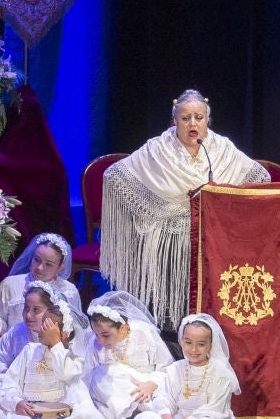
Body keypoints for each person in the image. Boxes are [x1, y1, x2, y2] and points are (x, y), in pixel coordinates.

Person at [100, 89, 268, 327]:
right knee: (170, 302)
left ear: (207, 120)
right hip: (168, 242)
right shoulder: (157, 149)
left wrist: (231, 212)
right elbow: (115, 175)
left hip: (211, 240)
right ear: (175, 121)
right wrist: (147, 210)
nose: (193, 123)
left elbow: (260, 176)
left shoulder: (222, 149)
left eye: (199, 118)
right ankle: (169, 334)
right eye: (185, 118)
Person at [125, 313, 272, 419]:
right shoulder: (175, 369)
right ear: (181, 341)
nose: (193, 349)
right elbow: (165, 398)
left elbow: (216, 408)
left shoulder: (220, 373)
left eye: (201, 344)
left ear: (210, 345)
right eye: (188, 342)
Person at [0, 291, 121, 419]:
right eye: (42, 323)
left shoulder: (73, 358)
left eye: (47, 326)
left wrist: (57, 345)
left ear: (63, 334)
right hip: (31, 416)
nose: (39, 329)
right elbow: (9, 384)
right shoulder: (30, 351)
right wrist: (17, 403)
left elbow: (67, 375)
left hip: (61, 418)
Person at [83, 291, 174, 419]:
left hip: (146, 388)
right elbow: (88, 377)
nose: (100, 340)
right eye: (96, 334)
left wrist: (151, 384)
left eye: (106, 335)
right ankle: (129, 414)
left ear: (123, 327)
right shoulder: (94, 343)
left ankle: (153, 414)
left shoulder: (143, 333)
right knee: (106, 372)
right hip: (114, 396)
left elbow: (167, 367)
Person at [0, 232, 85, 348]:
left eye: (48, 264)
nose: (40, 267)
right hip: (15, 352)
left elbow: (76, 330)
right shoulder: (10, 285)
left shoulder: (69, 291)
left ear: (61, 267)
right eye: (37, 260)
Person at [0, 281, 57, 368]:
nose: (28, 315)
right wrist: (9, 373)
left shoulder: (59, 334)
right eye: (26, 308)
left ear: (50, 310)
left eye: (36, 310)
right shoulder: (17, 331)